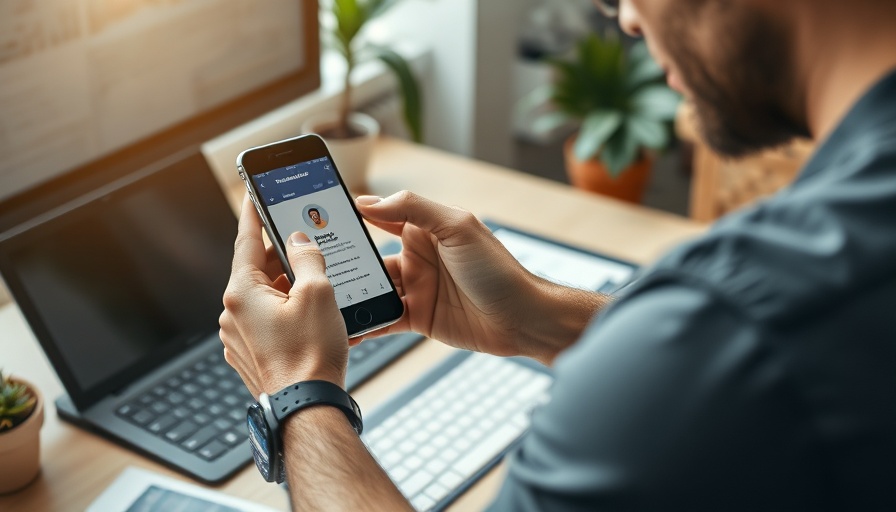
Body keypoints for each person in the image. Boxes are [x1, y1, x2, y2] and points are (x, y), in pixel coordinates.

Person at [219, 0, 896, 509]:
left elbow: (743, 346)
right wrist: (543, 319)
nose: (628, 18)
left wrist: (297, 392)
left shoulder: (740, 315)